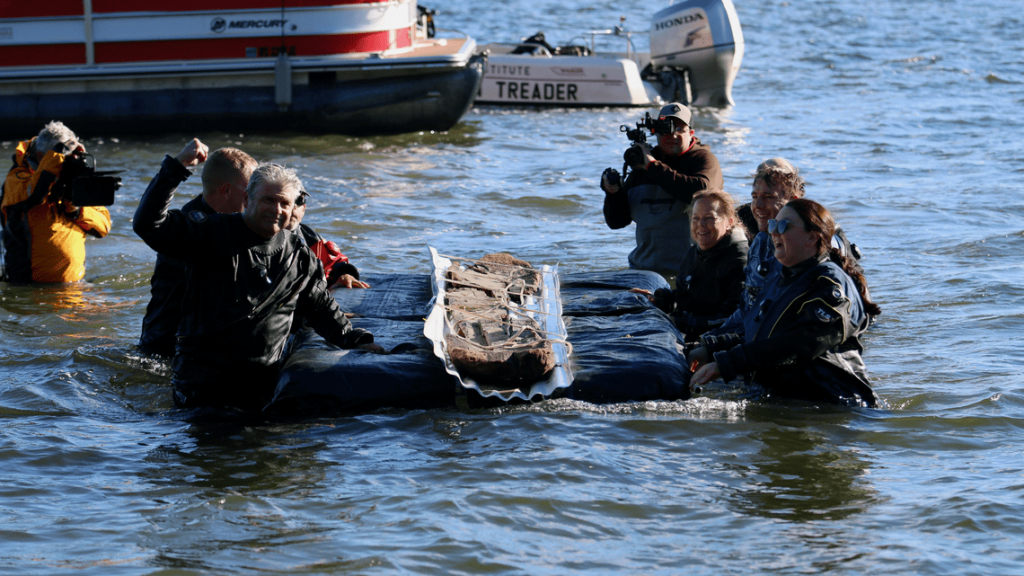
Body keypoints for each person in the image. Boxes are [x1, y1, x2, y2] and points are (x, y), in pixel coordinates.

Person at [133, 139, 384, 411]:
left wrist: (356, 341)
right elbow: (149, 224)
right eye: (267, 200)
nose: (276, 210)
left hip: (261, 383)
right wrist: (176, 167)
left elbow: (320, 307)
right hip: (203, 387)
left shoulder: (299, 253)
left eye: (284, 203)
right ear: (247, 199)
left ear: (293, 210)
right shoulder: (209, 233)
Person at [689, 198, 882, 407]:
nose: (774, 232)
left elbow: (802, 342)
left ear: (812, 237)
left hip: (833, 408)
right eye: (772, 224)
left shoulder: (829, 284)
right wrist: (710, 349)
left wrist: (728, 363)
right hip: (782, 398)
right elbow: (760, 332)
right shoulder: (782, 278)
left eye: (783, 226)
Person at [137, 145, 258, 356]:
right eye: (250, 190)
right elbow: (148, 222)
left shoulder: (237, 223)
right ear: (227, 190)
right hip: (167, 348)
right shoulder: (189, 231)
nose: (255, 198)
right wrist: (176, 167)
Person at [600, 102, 723, 277]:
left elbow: (700, 192)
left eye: (679, 129)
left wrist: (653, 166)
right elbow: (617, 221)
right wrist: (613, 194)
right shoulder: (643, 165)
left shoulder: (703, 159)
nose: (672, 135)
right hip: (643, 271)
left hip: (692, 273)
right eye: (665, 129)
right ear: (655, 132)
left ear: (691, 133)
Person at [1, 121, 111, 282]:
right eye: (62, 159)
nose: (65, 163)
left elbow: (103, 227)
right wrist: (56, 157)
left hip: (74, 287)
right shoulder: (16, 179)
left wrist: (76, 210)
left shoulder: (73, 182)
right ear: (40, 157)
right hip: (30, 288)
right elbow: (33, 193)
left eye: (68, 157)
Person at [632, 190, 748, 340]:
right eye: (696, 218)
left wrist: (682, 323)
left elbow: (734, 319)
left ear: (729, 222)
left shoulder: (741, 261)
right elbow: (689, 295)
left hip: (716, 342)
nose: (701, 225)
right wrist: (660, 300)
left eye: (709, 218)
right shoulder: (695, 253)